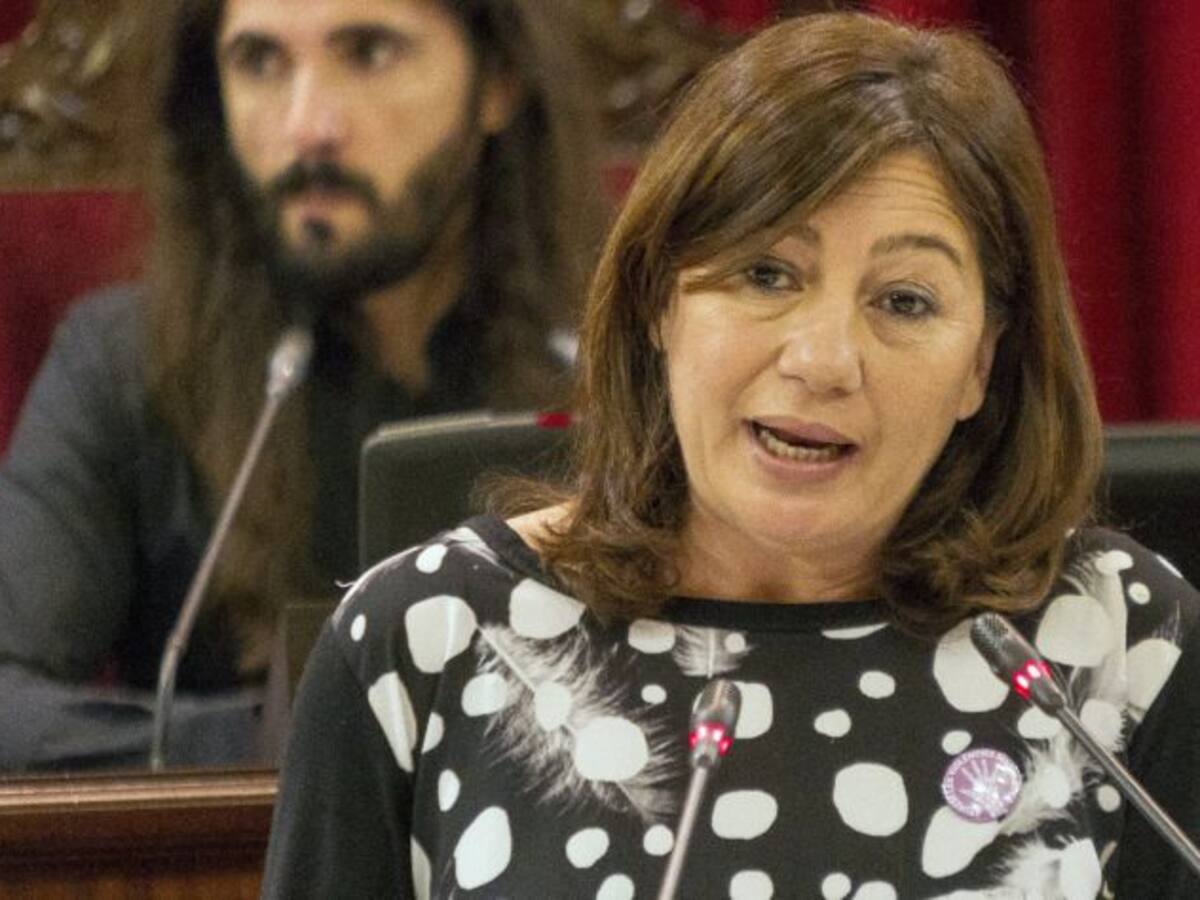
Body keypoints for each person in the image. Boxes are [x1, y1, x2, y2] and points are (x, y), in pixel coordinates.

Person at [263, 11, 1200, 898]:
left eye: (905, 301)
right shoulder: (427, 640)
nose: (824, 360)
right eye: (766, 274)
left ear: (981, 366)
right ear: (658, 306)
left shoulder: (1121, 643)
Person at [0, 0, 604, 770]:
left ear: (498, 81)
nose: (308, 126)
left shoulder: (625, 357)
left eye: (368, 52)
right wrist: (307, 732)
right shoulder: (124, 361)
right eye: (260, 61)